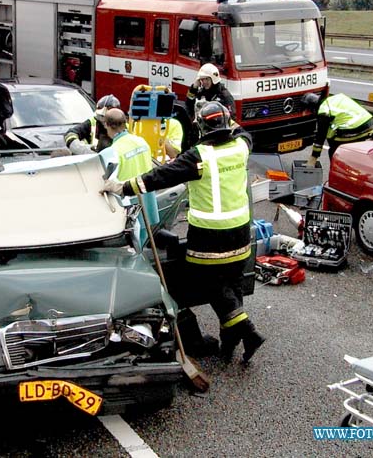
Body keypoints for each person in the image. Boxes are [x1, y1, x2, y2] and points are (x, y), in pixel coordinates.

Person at [101, 102, 265, 363]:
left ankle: (248, 331)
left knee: (209, 284)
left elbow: (159, 176)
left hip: (210, 237)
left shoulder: (199, 157)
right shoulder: (243, 146)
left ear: (201, 127)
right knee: (232, 283)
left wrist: (122, 188)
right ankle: (230, 341)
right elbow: (242, 130)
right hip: (241, 234)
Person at [306, 93, 373, 167]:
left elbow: (321, 135)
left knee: (334, 151)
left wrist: (314, 156)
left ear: (313, 108)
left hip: (355, 128)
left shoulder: (324, 110)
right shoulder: (335, 98)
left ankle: (336, 175)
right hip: (369, 125)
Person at [104, 108, 152, 180]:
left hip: (128, 190)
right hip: (150, 189)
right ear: (125, 122)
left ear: (106, 125)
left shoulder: (113, 151)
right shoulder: (141, 141)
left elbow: (109, 180)